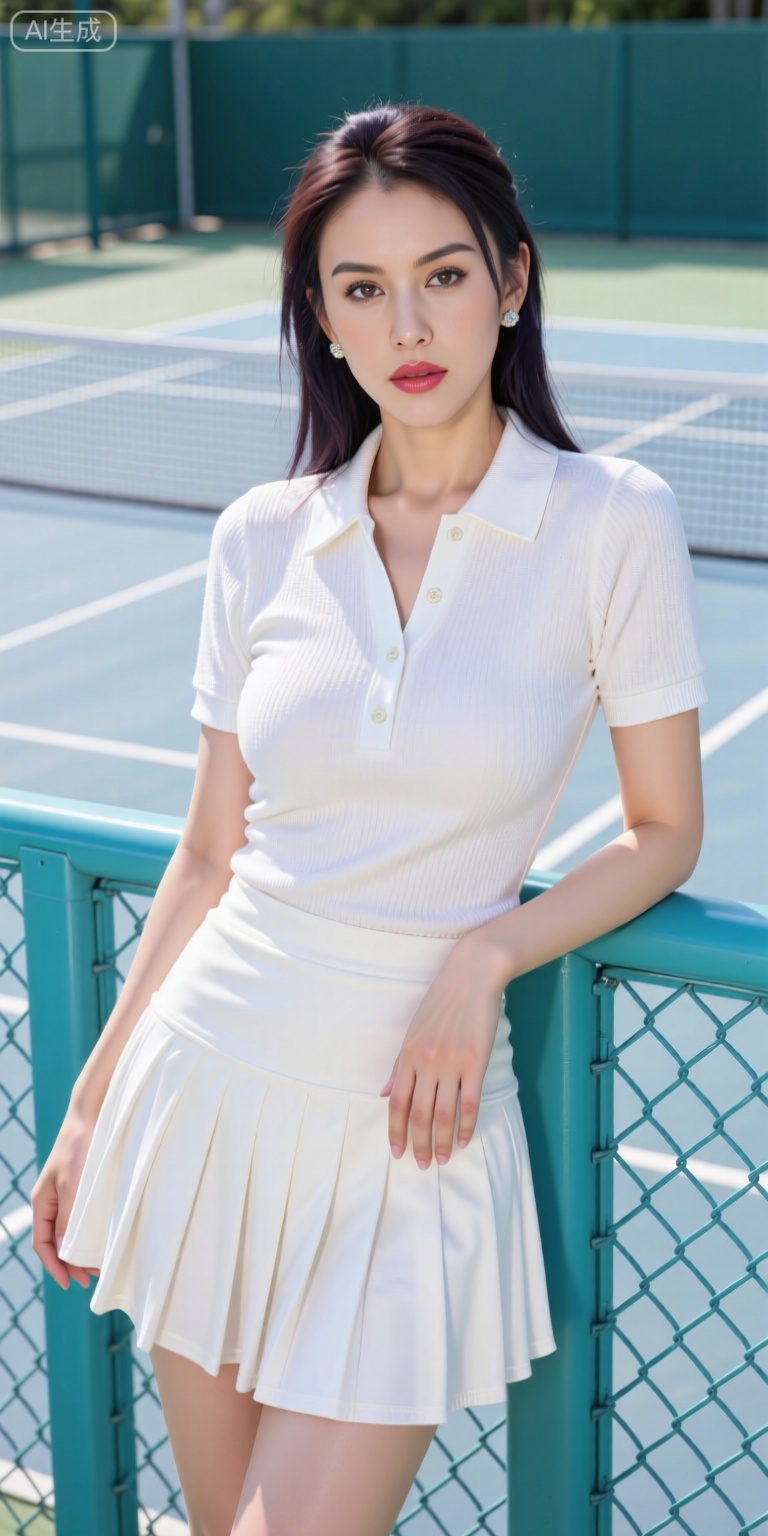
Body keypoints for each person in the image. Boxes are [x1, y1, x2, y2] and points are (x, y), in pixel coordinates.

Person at [31, 102, 707, 1536]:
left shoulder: (613, 520)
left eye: (443, 274)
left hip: (411, 1131)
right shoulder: (263, 536)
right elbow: (212, 853)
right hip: (207, 1082)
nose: (408, 321)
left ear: (512, 281)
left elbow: (665, 832)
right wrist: (90, 1110)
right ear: (320, 320)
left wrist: (484, 958)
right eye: (359, 287)